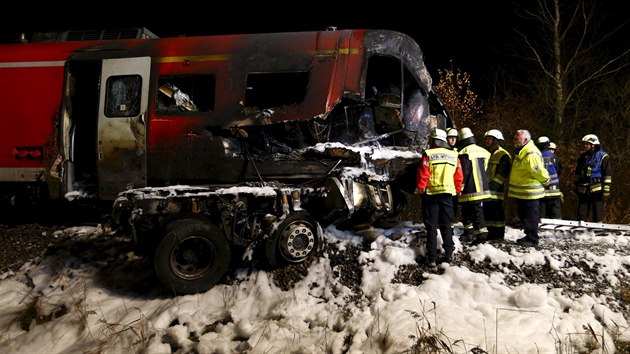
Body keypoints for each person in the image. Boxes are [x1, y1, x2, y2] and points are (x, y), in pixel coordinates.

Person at [416, 128, 463, 267]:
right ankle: (449, 254)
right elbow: (459, 176)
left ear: (434, 140)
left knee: (431, 227)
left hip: (431, 195)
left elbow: (423, 174)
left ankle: (431, 259)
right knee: (446, 225)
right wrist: (458, 189)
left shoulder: (428, 154)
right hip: (448, 195)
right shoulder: (454, 155)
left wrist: (420, 189)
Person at [508, 129, 550, 248]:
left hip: (531, 192)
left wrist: (546, 179)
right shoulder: (523, 150)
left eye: (517, 139)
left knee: (530, 216)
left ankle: (532, 239)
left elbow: (537, 170)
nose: (514, 140)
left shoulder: (530, 153)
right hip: (524, 192)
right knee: (525, 216)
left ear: (525, 140)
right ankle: (529, 236)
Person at [457, 127, 491, 244]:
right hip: (482, 187)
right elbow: (486, 169)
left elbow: (463, 173)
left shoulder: (463, 153)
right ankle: (474, 234)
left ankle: (480, 235)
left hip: (469, 189)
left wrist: (460, 187)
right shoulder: (484, 152)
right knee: (477, 211)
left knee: (468, 212)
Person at [483, 129, 512, 241]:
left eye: (490, 139)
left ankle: (498, 235)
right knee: (488, 214)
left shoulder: (503, 155)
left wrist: (491, 187)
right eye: (486, 139)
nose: (487, 141)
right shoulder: (487, 153)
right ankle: (490, 234)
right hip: (486, 189)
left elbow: (502, 174)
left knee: (497, 214)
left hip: (496, 190)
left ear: (496, 140)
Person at [574, 134, 611, 222]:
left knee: (597, 211)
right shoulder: (583, 157)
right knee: (581, 213)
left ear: (593, 145)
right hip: (583, 189)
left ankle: (597, 230)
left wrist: (606, 188)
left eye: (587, 144)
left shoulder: (603, 156)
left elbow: (607, 173)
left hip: (596, 188)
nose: (584, 146)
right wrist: (576, 185)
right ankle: (580, 230)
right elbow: (577, 172)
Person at [536, 136, 563, 219]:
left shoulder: (536, 156)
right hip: (554, 188)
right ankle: (558, 229)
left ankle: (541, 228)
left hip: (541, 188)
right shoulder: (553, 156)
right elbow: (559, 168)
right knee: (555, 210)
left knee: (542, 210)